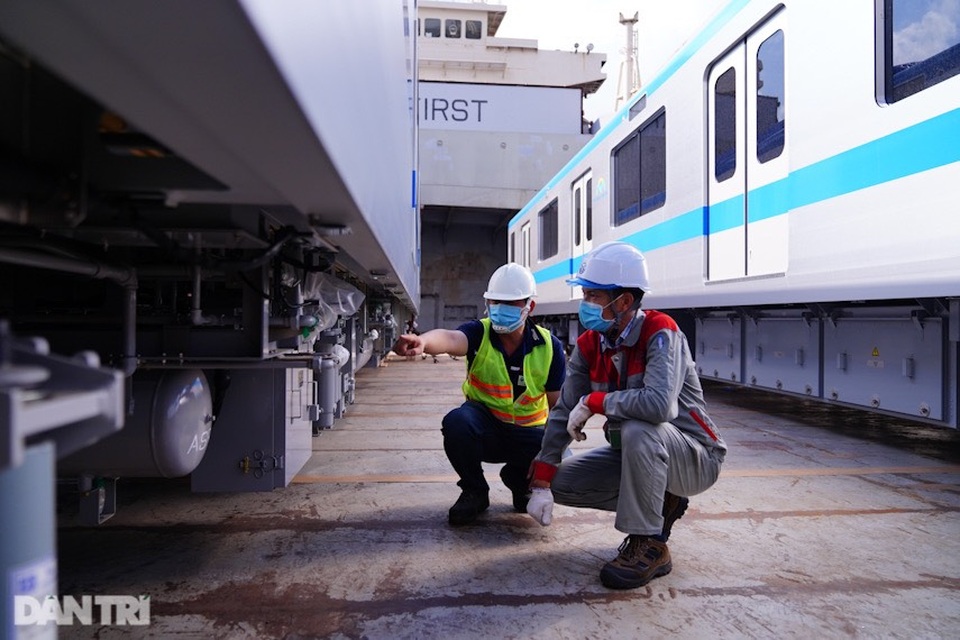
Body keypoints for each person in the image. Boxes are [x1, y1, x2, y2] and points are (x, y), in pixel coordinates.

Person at [525, 242, 726, 589]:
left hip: (695, 456)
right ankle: (663, 499)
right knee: (561, 480)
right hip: (638, 455)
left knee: (638, 428)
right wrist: (542, 477)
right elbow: (562, 410)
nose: (585, 304)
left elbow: (660, 406)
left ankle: (648, 542)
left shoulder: (661, 332)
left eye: (593, 296)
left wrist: (596, 402)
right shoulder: (590, 344)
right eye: (585, 294)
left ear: (624, 302)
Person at [392, 263, 566, 525]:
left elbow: (559, 411)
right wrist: (425, 342)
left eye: (509, 303)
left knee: (561, 454)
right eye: (494, 302)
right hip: (487, 432)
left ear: (529, 307)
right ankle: (475, 491)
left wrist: (547, 468)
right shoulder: (480, 332)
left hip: (529, 437)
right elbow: (451, 338)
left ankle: (521, 484)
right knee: (457, 422)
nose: (499, 309)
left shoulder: (550, 347)